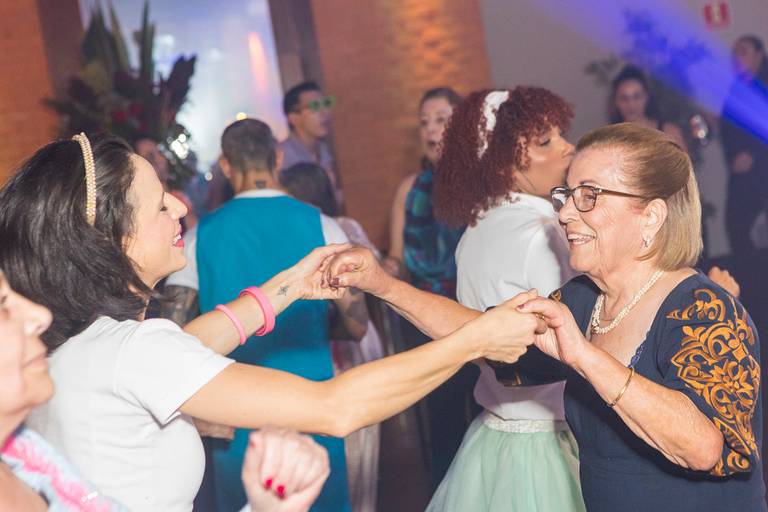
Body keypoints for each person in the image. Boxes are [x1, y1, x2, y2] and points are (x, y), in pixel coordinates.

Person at [0, 133, 541, 511]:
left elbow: (183, 344)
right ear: (112, 242)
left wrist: (291, 286)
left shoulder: (80, 342)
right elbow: (336, 408)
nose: (181, 207)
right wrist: (476, 337)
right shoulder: (136, 351)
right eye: (159, 206)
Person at [324, 122, 766, 511]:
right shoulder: (585, 299)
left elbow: (702, 446)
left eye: (589, 196)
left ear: (650, 216)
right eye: (566, 194)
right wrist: (382, 284)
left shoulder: (703, 310)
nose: (566, 212)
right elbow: (481, 334)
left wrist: (584, 356)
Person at [165, 119, 367, 512]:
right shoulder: (323, 225)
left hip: (235, 413)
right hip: (313, 406)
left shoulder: (196, 237)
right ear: (277, 157)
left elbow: (174, 340)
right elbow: (358, 326)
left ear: (226, 165)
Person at [0, 270, 325, 512]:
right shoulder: (125, 346)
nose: (39, 316)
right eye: (2, 305)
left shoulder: (26, 458)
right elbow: (331, 408)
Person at [426, 86, 584, 511]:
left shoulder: (474, 232)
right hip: (549, 441)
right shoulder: (545, 233)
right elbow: (575, 340)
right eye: (546, 141)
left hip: (493, 436)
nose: (567, 146)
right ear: (505, 161)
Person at [281, 161, 383, 511]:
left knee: (349, 454)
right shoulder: (345, 226)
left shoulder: (326, 233)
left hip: (345, 347)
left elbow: (355, 322)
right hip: (358, 340)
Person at [721, 35, 768, 281]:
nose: (738, 57)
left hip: (762, 173)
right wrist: (734, 157)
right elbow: (728, 132)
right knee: (739, 230)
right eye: (735, 52)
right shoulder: (734, 91)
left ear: (759, 55)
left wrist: (754, 155)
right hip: (742, 178)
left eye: (744, 51)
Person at [279, 81, 342, 206]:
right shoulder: (281, 157)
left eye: (326, 104)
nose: (324, 113)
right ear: (293, 118)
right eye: (315, 107)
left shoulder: (324, 150)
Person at [610, 65, 687, 152]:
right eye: (624, 98)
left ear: (646, 97)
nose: (631, 104)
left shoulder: (669, 132)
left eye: (636, 97)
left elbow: (683, 160)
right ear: (616, 101)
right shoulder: (610, 140)